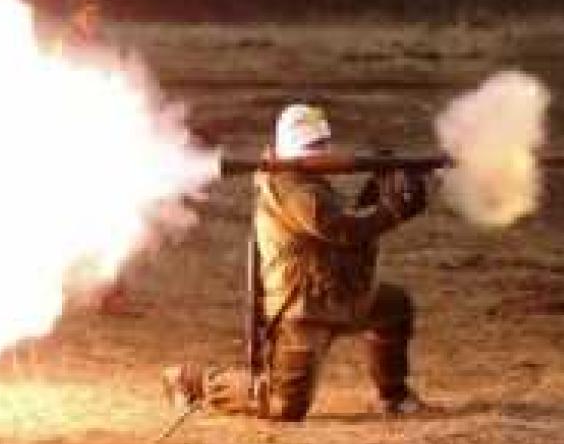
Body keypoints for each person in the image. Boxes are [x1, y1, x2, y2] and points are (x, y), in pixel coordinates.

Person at [163, 104, 428, 420]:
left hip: (338, 293)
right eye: (311, 148)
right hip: (302, 309)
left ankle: (394, 396)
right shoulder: (290, 188)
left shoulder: (308, 182)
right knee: (283, 406)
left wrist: (378, 187)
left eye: (320, 146)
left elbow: (345, 226)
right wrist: (393, 211)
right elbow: (341, 230)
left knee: (395, 307)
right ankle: (192, 381)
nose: (319, 154)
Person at [53, 0, 130, 316]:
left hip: (103, 138)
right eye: (86, 14)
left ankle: (110, 293)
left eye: (95, 14)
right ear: (73, 16)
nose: (92, 19)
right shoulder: (64, 49)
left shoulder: (103, 47)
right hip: (75, 140)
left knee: (112, 220)